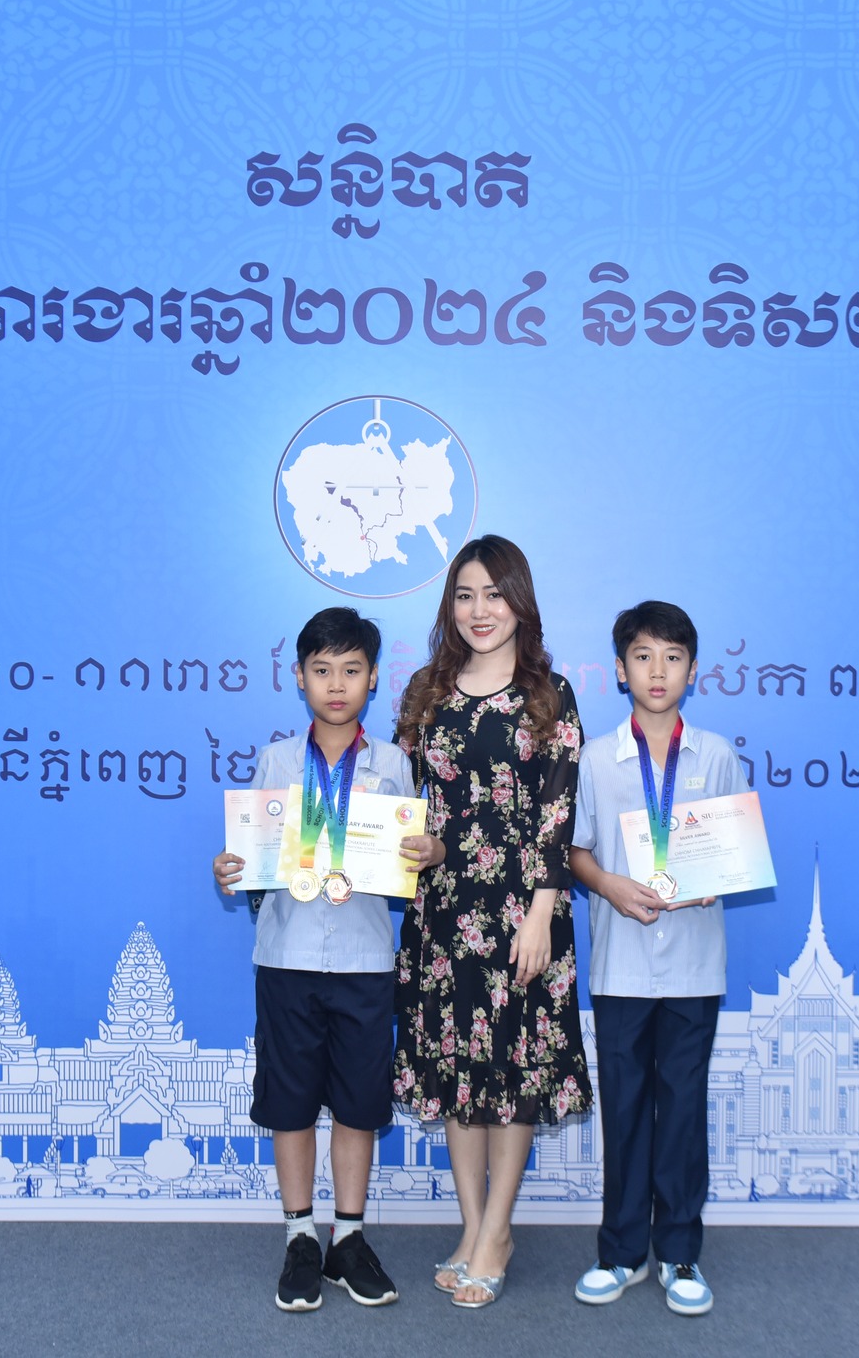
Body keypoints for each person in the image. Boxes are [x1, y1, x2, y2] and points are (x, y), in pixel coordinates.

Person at [212, 606, 444, 1312]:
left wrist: (428, 850)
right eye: (321, 670)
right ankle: (299, 1238)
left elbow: (411, 856)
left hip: (365, 961)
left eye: (351, 670)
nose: (336, 684)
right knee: (289, 1103)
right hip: (286, 956)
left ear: (373, 679)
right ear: (299, 677)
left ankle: (347, 1237)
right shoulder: (279, 762)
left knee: (357, 1103)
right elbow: (254, 860)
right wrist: (232, 869)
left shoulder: (393, 765)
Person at [392, 535, 591, 1309]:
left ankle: (499, 1230)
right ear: (450, 605)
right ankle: (473, 1226)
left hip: (521, 914)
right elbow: (410, 806)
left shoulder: (550, 695)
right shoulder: (426, 691)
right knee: (458, 1071)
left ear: (520, 602)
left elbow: (557, 817)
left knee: (513, 1073)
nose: (480, 610)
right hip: (442, 913)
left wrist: (540, 914)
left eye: (495, 594)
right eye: (466, 595)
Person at [567, 601, 742, 1317]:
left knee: (683, 1110)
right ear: (620, 670)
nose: (658, 670)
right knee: (627, 1108)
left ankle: (678, 1251)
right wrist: (607, 884)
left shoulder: (718, 755)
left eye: (673, 657)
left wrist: (715, 876)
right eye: (643, 656)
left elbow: (733, 850)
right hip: (622, 966)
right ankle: (620, 1252)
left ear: (693, 670)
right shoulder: (595, 760)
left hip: (695, 964)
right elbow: (576, 851)